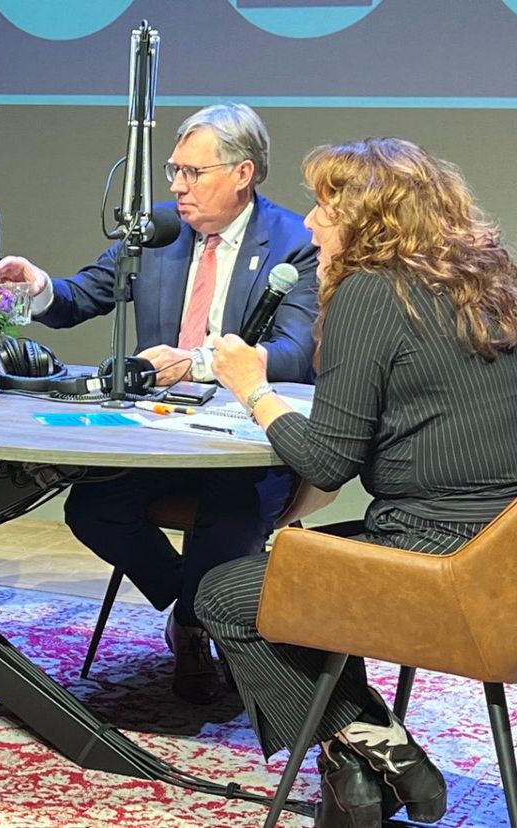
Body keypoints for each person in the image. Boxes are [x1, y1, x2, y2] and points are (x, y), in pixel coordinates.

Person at [197, 137, 517, 826]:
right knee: (302, 573)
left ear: (370, 220)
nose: (310, 222)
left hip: (434, 562)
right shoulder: (492, 281)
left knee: (224, 595)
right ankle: (354, 776)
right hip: (506, 568)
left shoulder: (373, 292)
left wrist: (255, 391)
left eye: (324, 206)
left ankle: (388, 748)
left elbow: (327, 465)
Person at [0, 103, 318, 703]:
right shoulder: (159, 230)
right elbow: (79, 297)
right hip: (157, 433)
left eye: (192, 172)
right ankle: (192, 612)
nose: (175, 186)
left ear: (242, 173)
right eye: (173, 170)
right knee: (93, 508)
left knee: (233, 511)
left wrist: (194, 363)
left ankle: (195, 628)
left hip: (244, 438)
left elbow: (294, 356)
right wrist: (37, 287)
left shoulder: (294, 242)